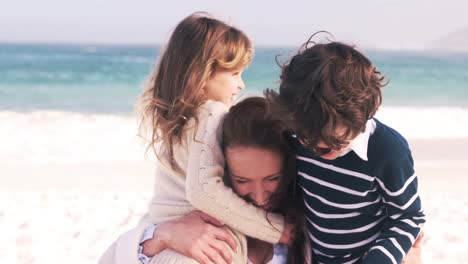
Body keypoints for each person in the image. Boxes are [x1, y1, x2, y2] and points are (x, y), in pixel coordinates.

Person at [99, 12, 292, 264]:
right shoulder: (212, 114)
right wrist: (275, 229)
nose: (241, 84)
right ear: (201, 76)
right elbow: (204, 192)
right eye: (234, 74)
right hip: (195, 242)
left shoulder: (177, 122)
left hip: (162, 238)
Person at [138, 97, 424, 264]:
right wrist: (157, 236)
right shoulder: (203, 221)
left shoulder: (315, 227)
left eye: (272, 178)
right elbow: (117, 255)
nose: (260, 196)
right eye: (242, 180)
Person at [265, 33, 426, 263]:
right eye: (305, 137)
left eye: (330, 142)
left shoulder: (387, 150)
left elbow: (408, 216)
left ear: (360, 116)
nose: (314, 147)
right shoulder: (297, 135)